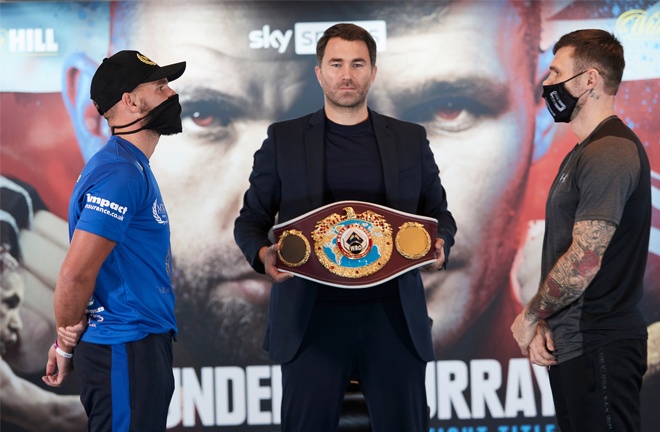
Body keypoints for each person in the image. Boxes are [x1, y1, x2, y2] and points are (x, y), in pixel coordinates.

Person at [234, 23, 456, 432]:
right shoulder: (284, 139)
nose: (347, 74)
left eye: (358, 64)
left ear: (373, 71)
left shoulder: (410, 139)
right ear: (319, 73)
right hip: (310, 317)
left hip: (393, 316)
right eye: (336, 64)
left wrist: (440, 243)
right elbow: (251, 221)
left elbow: (439, 215)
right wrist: (263, 256)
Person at [511, 29, 651, 432]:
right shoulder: (583, 152)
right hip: (576, 343)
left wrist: (531, 314)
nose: (547, 83)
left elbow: (584, 259)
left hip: (600, 342)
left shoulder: (610, 151)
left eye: (555, 72)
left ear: (589, 80)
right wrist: (545, 322)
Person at [41, 50, 186, 432]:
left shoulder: (128, 165)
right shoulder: (120, 173)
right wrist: (65, 343)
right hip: (124, 345)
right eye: (160, 87)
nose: (171, 94)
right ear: (130, 101)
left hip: (135, 344)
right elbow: (74, 275)